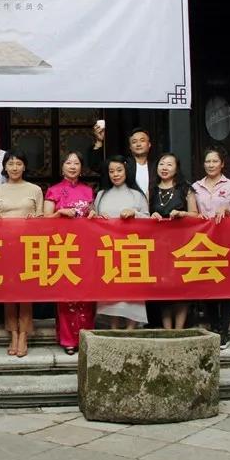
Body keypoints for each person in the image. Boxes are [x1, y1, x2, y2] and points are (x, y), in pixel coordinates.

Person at [0, 149, 43, 357]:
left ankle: (24, 334)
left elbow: (42, 220)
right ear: (5, 167)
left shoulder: (35, 189)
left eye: (18, 163)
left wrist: (35, 220)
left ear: (24, 166)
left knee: (26, 293)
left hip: (28, 246)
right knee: (9, 293)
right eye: (10, 163)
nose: (14, 167)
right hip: (5, 247)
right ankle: (13, 333)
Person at [191, 146, 230, 350]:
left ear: (222, 164)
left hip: (226, 243)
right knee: (208, 286)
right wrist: (198, 216)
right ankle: (214, 326)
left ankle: (224, 329)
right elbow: (192, 213)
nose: (211, 165)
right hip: (203, 243)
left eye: (215, 161)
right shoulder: (196, 187)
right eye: (208, 161)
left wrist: (227, 209)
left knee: (226, 287)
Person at [91, 156, 150, 330]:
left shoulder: (137, 195)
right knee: (111, 290)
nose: (115, 174)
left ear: (126, 171)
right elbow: (93, 220)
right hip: (109, 250)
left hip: (132, 249)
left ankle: (131, 329)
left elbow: (149, 221)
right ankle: (114, 328)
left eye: (119, 170)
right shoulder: (101, 195)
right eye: (111, 171)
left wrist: (134, 213)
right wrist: (96, 217)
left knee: (132, 290)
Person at [44, 150, 94, 355]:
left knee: (86, 294)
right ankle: (68, 340)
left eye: (76, 163)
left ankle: (86, 337)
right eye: (68, 163)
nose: (72, 166)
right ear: (62, 167)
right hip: (62, 247)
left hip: (85, 247)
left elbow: (93, 215)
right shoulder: (53, 190)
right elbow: (44, 220)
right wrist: (59, 213)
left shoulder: (88, 191)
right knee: (66, 295)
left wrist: (93, 213)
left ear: (81, 168)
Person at [149, 152, 199, 329]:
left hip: (182, 244)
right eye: (162, 164)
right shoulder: (151, 189)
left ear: (177, 168)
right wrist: (151, 216)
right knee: (164, 287)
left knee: (181, 287)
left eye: (169, 164)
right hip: (159, 246)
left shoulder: (186, 189)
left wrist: (182, 213)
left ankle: (179, 329)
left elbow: (196, 215)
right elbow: (145, 215)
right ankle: (167, 329)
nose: (165, 168)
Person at [89, 125, 156, 198]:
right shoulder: (123, 163)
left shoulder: (156, 166)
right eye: (134, 142)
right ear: (130, 147)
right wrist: (99, 141)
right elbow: (96, 166)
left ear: (149, 144)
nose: (138, 144)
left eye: (142, 140)